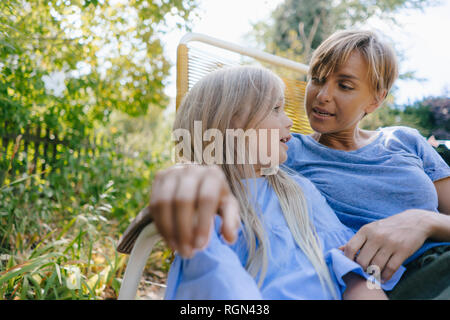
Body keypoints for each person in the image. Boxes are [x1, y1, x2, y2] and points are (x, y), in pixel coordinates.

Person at [118, 30, 450, 299]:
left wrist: (424, 221)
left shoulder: (406, 140)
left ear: (377, 98)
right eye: (317, 78)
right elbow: (223, 160)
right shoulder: (287, 155)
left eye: (344, 85)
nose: (321, 95)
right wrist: (186, 175)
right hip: (392, 281)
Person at [162, 66, 403, 299]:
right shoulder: (205, 198)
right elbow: (218, 281)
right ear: (232, 123)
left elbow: (350, 268)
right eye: (276, 109)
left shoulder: (299, 191)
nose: (289, 122)